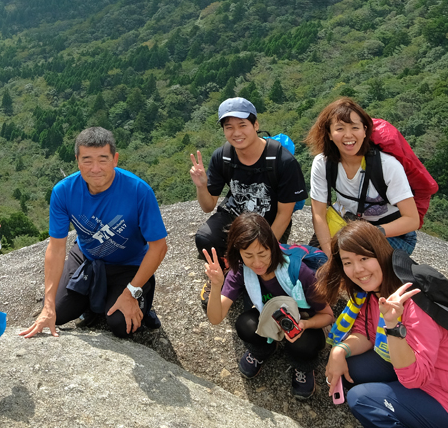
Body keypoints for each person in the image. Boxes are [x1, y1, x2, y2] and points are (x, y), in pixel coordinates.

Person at [316, 221, 448, 428]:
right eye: (347, 262)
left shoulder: (415, 301)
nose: (357, 270)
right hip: (425, 381)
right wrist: (339, 350)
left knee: (361, 398)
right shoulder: (375, 292)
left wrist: (392, 326)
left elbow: (415, 377)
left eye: (364, 258)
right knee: (351, 370)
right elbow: (367, 332)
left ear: (381, 253)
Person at [19, 127, 168, 339]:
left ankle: (142, 295)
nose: (95, 168)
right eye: (87, 160)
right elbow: (56, 247)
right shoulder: (64, 191)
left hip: (129, 263)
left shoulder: (138, 191)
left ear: (115, 159)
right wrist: (48, 305)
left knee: (121, 325)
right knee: (58, 314)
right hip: (87, 257)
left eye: (103, 159)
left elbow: (159, 247)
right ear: (77, 160)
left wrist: (132, 292)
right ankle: (95, 300)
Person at [202, 213, 334, 400]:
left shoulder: (298, 271)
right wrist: (216, 285)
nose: (257, 263)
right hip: (273, 315)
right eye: (248, 255)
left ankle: (303, 365)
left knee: (302, 343)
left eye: (263, 254)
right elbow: (216, 318)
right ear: (238, 252)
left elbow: (328, 316)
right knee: (245, 324)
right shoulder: (241, 269)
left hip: (306, 319)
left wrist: (304, 325)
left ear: (272, 246)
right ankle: (264, 349)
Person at [190, 97, 307, 257]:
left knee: (260, 261)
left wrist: (263, 250)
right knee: (206, 240)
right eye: (229, 127)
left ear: (255, 125)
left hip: (268, 221)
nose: (236, 133)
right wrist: (201, 186)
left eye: (242, 125)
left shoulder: (283, 161)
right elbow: (208, 207)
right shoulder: (223, 156)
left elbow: (284, 215)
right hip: (234, 217)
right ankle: (227, 272)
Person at [306, 98, 419, 257]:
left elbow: (412, 220)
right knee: (314, 265)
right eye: (340, 128)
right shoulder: (323, 163)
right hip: (347, 223)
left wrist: (370, 233)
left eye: (355, 127)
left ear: (365, 131)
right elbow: (318, 214)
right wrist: (330, 257)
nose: (348, 135)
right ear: (329, 134)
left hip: (392, 233)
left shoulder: (387, 166)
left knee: (359, 269)